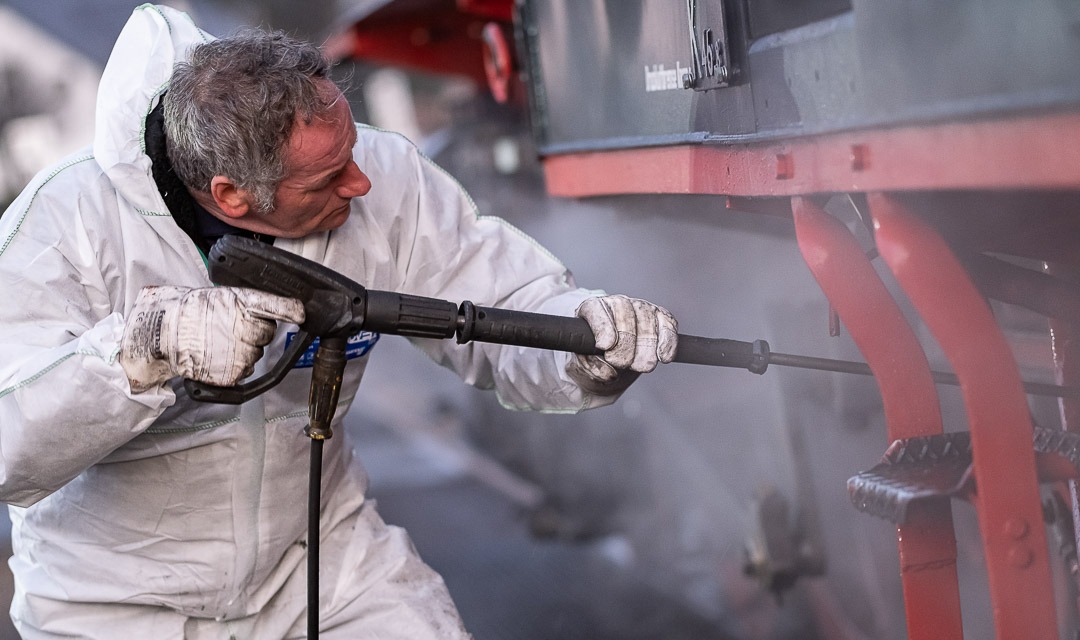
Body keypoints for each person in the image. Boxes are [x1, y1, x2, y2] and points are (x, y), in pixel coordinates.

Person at [0, 5, 677, 639]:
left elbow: (505, 298)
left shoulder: (379, 172)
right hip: (111, 604)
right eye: (327, 180)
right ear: (233, 196)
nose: (360, 184)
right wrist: (134, 355)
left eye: (352, 153)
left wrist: (580, 339)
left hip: (318, 563)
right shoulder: (66, 227)